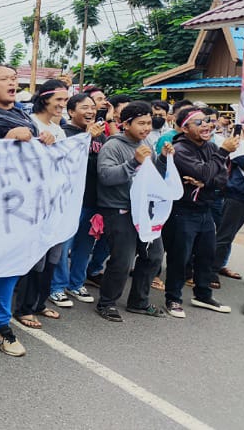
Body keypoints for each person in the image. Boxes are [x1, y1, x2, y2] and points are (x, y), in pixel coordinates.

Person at [0, 65, 52, 356]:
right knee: (8, 263)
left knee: (16, 261)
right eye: (4, 79)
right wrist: (7, 140)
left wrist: (45, 140)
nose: (12, 82)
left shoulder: (21, 115)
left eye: (14, 78)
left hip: (26, 203)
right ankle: (0, 325)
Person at [95, 101, 173, 322]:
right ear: (125, 124)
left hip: (144, 210)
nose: (147, 127)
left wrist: (165, 160)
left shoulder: (147, 141)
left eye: (149, 123)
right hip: (119, 210)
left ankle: (139, 301)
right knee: (122, 260)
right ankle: (107, 302)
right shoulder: (113, 146)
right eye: (141, 123)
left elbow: (154, 173)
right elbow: (106, 177)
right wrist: (133, 162)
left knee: (154, 256)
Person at [163, 106, 236, 318]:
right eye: (199, 123)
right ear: (185, 129)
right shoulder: (180, 149)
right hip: (183, 210)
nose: (206, 125)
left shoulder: (211, 147)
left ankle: (203, 294)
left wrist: (205, 182)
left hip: (205, 209)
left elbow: (221, 179)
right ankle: (173, 298)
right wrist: (221, 155)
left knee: (206, 254)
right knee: (180, 256)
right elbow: (204, 171)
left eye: (207, 121)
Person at [13, 80, 66, 328]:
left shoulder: (59, 129)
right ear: (44, 98)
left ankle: (40, 303)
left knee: (54, 255)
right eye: (59, 100)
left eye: (66, 101)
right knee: (37, 257)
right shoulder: (29, 124)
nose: (62, 105)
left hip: (57, 202)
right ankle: (24, 308)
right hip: (34, 205)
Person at [51, 93, 106, 304]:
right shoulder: (64, 133)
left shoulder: (100, 135)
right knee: (63, 247)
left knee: (84, 246)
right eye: (84, 107)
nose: (90, 111)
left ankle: (76, 284)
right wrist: (87, 138)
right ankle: (56, 286)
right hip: (69, 201)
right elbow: (66, 162)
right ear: (71, 111)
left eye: (92, 107)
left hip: (93, 199)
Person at [212, 126, 244, 284]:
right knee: (225, 235)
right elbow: (243, 162)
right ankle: (210, 271)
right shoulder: (239, 137)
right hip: (238, 195)